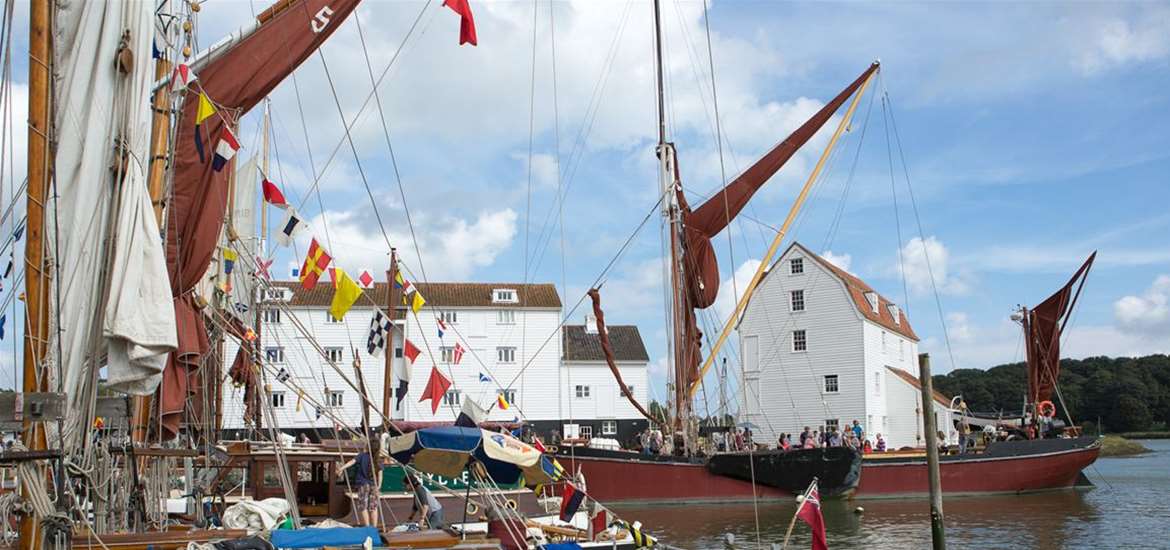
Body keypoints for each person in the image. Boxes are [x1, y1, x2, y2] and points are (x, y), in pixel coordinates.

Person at [336, 438, 382, 527]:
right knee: (373, 507)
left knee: (363, 506)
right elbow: (380, 474)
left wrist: (341, 468)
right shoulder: (378, 459)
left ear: (368, 447)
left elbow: (351, 462)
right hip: (373, 485)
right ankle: (374, 528)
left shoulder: (362, 456)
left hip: (363, 484)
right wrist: (379, 486)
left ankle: (367, 527)